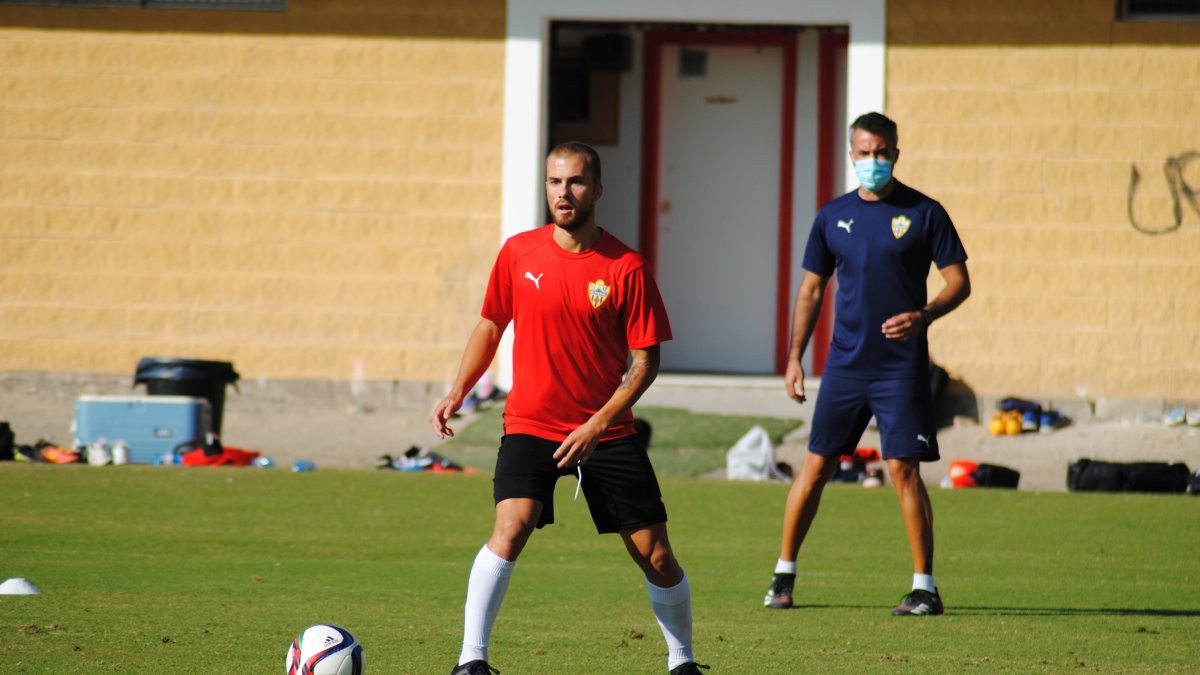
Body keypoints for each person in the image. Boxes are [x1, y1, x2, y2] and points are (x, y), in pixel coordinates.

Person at [433, 142, 707, 674]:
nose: (565, 192)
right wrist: (458, 391)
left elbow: (645, 362)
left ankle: (683, 662)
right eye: (555, 182)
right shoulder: (518, 253)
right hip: (530, 424)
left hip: (607, 433)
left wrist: (598, 424)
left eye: (577, 182)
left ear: (597, 189)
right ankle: (471, 660)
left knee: (656, 555)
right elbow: (491, 324)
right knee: (511, 527)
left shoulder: (627, 267)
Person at [762, 112, 971, 616]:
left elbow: (958, 282)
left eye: (881, 153)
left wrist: (924, 315)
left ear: (896, 154)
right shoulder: (832, 216)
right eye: (864, 153)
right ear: (851, 155)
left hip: (900, 368)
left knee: (903, 470)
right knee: (816, 466)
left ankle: (925, 588)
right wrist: (794, 358)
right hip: (845, 367)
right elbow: (811, 290)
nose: (873, 161)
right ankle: (783, 576)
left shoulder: (925, 212)